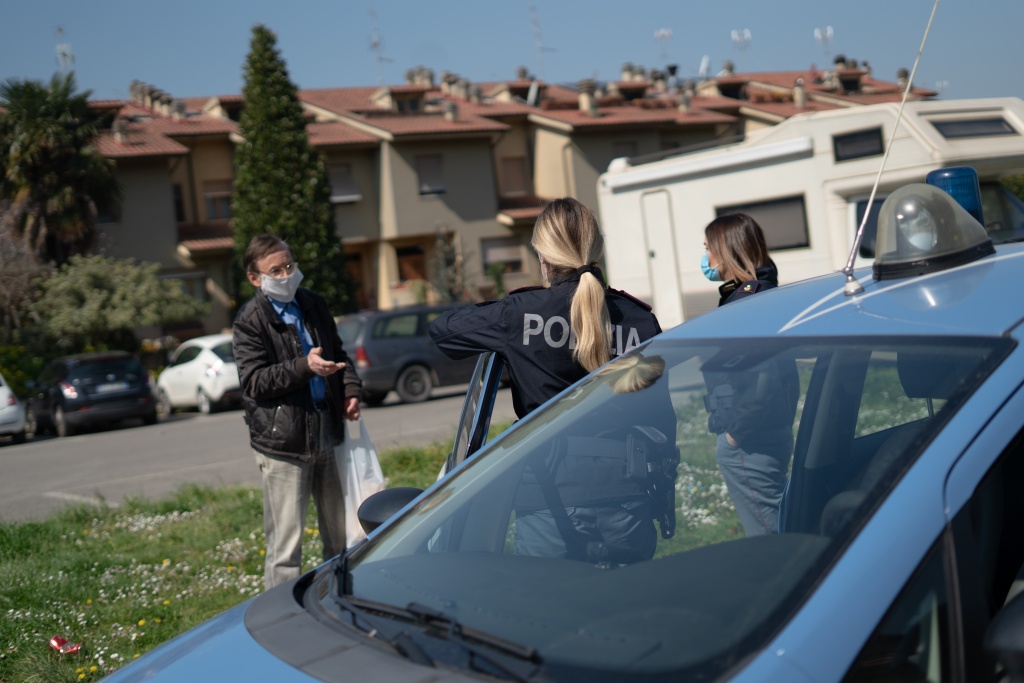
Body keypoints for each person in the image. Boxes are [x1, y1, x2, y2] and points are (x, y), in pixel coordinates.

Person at [429, 197, 666, 563]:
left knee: (549, 611)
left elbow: (442, 331)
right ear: (597, 248)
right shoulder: (640, 321)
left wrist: (508, 313)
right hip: (627, 498)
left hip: (549, 499)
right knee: (630, 612)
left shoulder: (519, 315)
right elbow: (661, 419)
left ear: (543, 256)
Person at [233, 235, 363, 589]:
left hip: (327, 429)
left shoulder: (313, 304)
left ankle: (336, 597)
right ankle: (279, 619)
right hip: (284, 443)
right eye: (276, 270)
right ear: (255, 278)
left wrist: (350, 390)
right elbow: (254, 382)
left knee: (337, 537)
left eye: (290, 265)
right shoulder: (250, 320)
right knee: (286, 548)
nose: (287, 274)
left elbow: (339, 354)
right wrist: (303, 366)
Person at [700, 213, 799, 535]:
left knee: (768, 534)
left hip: (751, 439)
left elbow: (762, 379)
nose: (705, 258)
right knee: (779, 519)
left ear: (726, 250)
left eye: (708, 248)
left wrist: (735, 436)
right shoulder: (765, 292)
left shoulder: (746, 301)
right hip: (770, 430)